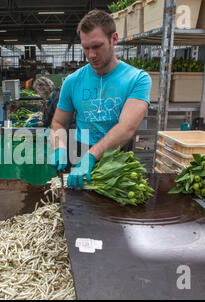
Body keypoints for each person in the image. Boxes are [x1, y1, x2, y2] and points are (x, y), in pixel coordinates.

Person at [49, 9, 151, 190]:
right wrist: (60, 147)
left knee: (115, 213)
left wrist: (91, 156)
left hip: (116, 158)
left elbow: (126, 127)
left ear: (114, 39)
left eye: (96, 46)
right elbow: (58, 123)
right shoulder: (72, 81)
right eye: (86, 48)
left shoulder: (137, 79)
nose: (91, 55)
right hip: (79, 155)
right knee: (77, 211)